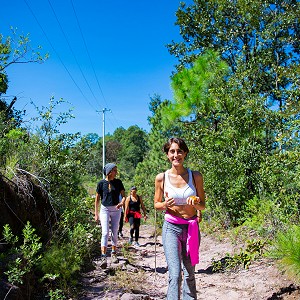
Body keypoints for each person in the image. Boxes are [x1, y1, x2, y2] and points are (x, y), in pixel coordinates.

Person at [154, 137, 205, 300]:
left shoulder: (195, 176)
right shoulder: (161, 178)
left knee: (189, 273)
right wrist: (164, 204)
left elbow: (202, 205)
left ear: (185, 153)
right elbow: (156, 204)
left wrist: (196, 203)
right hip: (171, 228)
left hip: (191, 228)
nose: (176, 155)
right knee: (175, 274)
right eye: (172, 151)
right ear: (167, 155)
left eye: (179, 151)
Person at [94, 163, 126, 268]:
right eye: (115, 170)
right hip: (105, 210)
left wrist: (122, 203)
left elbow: (124, 196)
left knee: (115, 232)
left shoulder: (118, 182)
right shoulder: (101, 183)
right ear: (109, 172)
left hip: (116, 209)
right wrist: (96, 213)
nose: (116, 172)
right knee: (105, 232)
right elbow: (97, 199)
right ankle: (103, 256)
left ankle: (113, 253)